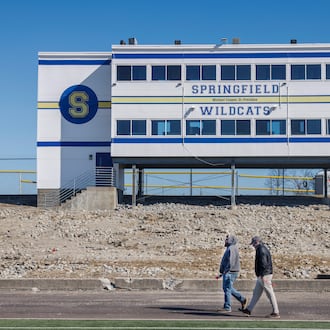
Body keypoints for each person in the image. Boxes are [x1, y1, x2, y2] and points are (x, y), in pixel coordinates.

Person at [240, 236, 280, 318]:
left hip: (264, 275)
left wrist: (262, 275)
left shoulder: (261, 250)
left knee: (270, 294)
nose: (253, 246)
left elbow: (263, 264)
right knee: (256, 294)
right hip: (263, 275)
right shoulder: (261, 248)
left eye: (253, 244)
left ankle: (276, 312)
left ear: (257, 242)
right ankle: (249, 310)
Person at [217, 234, 248, 313]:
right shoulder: (230, 248)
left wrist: (226, 271)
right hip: (229, 272)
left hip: (230, 272)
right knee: (228, 288)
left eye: (227, 239)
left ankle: (227, 307)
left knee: (227, 288)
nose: (225, 240)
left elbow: (231, 262)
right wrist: (222, 273)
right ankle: (242, 299)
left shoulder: (231, 248)